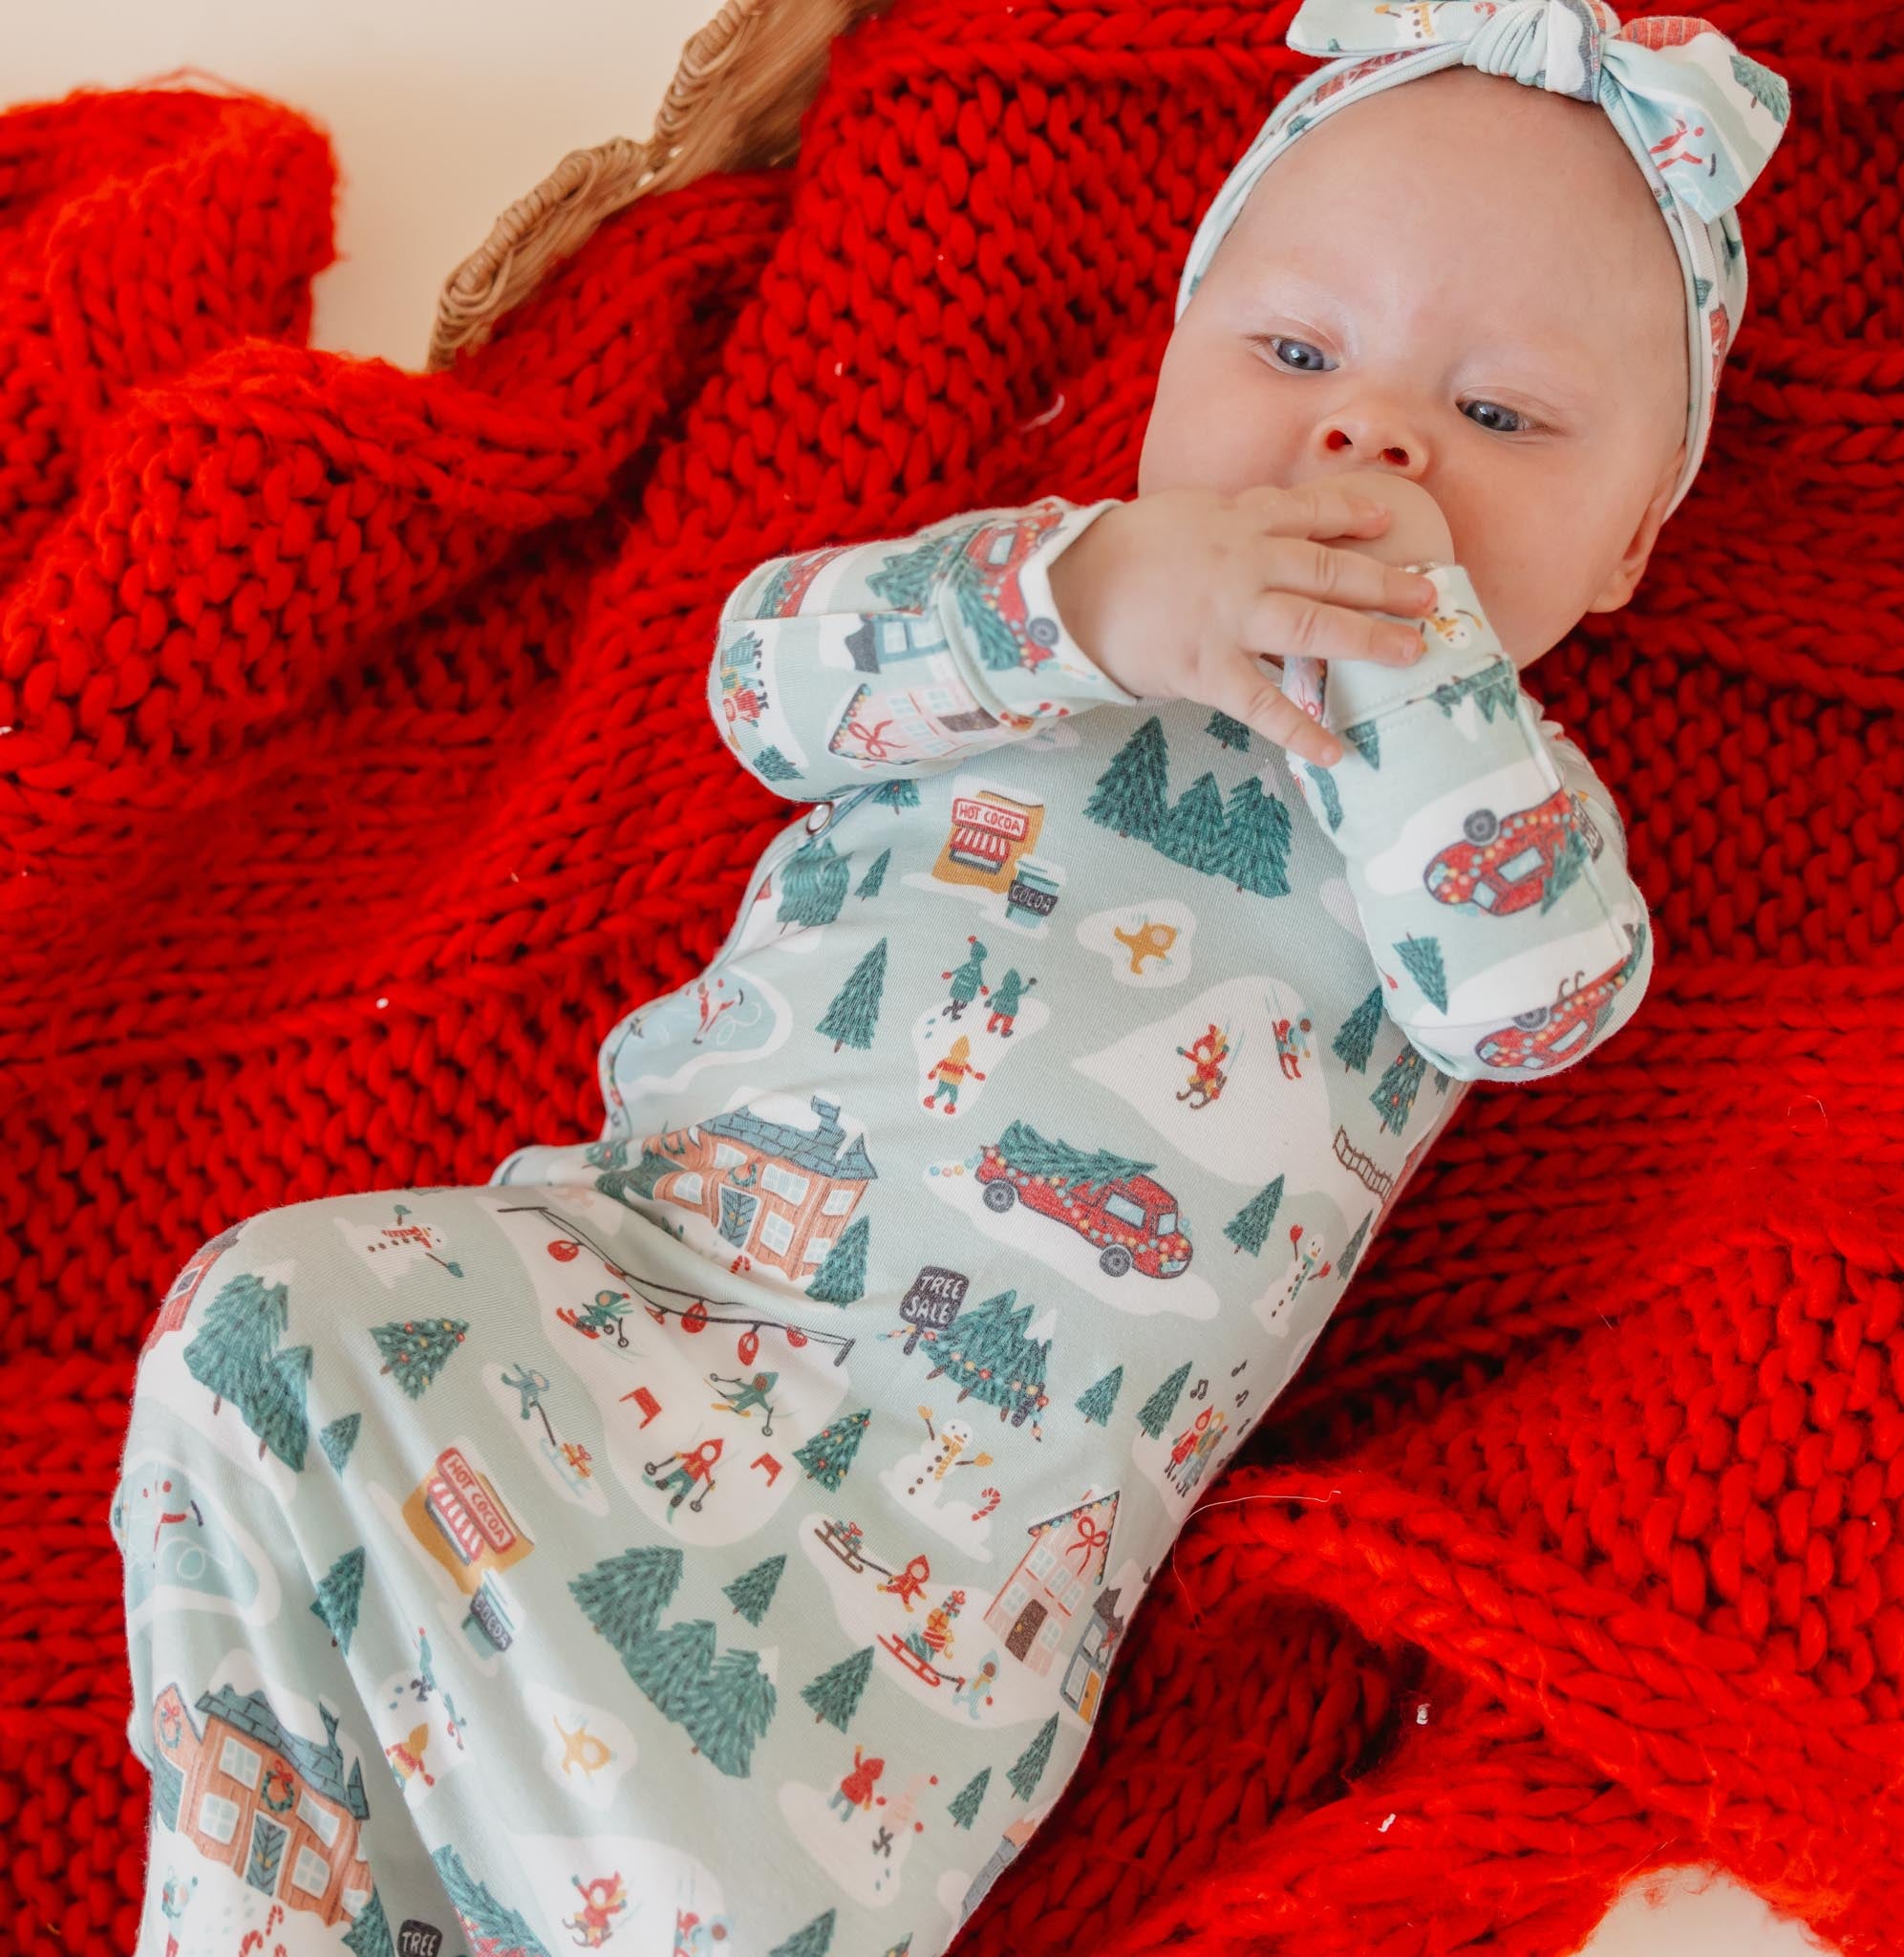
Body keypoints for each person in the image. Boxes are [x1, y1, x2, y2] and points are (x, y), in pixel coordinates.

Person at [109, 5, 1789, 1952]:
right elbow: (763, 679)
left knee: (677, 1893)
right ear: (1174, 362)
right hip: (624, 1290)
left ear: (1628, 544)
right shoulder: (1036, 599)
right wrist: (1089, 601)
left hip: (922, 1567)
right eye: (1293, 353)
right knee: (252, 1317)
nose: (1371, 435)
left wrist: (1416, 676)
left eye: (1500, 418)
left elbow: (1533, 999)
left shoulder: (1502, 815)